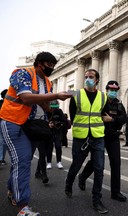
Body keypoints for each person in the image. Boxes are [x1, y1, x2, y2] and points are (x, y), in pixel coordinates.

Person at [0, 51, 72, 216]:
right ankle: (22, 207)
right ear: (40, 63)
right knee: (23, 162)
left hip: (33, 126)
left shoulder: (47, 82)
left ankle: (12, 192)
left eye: (54, 66)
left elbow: (45, 104)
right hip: (13, 122)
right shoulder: (22, 74)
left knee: (21, 161)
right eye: (49, 65)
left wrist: (52, 109)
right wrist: (56, 95)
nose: (51, 68)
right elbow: (26, 98)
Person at [65, 69, 108, 214]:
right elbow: (73, 115)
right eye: (86, 77)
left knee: (99, 169)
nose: (88, 79)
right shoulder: (76, 95)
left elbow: (104, 114)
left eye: (91, 77)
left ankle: (97, 200)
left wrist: (107, 118)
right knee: (76, 165)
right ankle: (69, 183)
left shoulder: (103, 96)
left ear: (97, 80)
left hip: (97, 137)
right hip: (81, 137)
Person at [78, 80, 127, 203]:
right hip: (99, 136)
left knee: (116, 164)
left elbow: (124, 118)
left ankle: (115, 192)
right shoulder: (101, 101)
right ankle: (82, 177)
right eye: (111, 90)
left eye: (115, 90)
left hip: (113, 137)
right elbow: (94, 114)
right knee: (96, 162)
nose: (113, 92)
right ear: (106, 90)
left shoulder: (119, 105)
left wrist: (112, 119)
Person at [46, 100, 65, 169]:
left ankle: (59, 162)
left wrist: (58, 124)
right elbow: (45, 120)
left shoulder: (59, 111)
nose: (53, 109)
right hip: (50, 132)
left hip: (58, 131)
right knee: (49, 148)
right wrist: (49, 123)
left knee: (58, 147)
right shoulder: (48, 111)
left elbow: (63, 121)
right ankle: (49, 162)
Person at [0, 89, 8, 165]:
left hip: (6, 123)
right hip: (2, 123)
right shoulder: (2, 103)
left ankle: (1, 158)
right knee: (2, 141)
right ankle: (1, 158)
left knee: (3, 142)